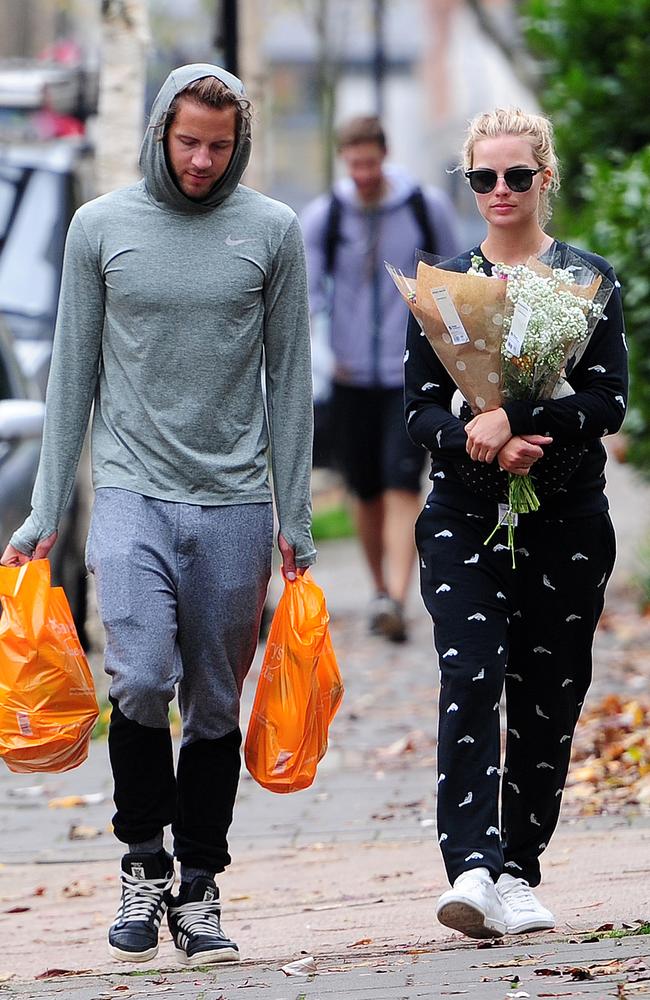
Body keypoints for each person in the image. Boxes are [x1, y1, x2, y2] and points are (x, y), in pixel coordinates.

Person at [1, 64, 315, 966]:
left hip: (234, 502)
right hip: (133, 489)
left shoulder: (272, 231)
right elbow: (72, 376)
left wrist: (294, 517)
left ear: (239, 142)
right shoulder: (100, 227)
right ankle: (143, 862)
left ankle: (201, 888)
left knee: (214, 703)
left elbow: (289, 380)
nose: (203, 160)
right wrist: (46, 507)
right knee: (139, 679)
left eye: (219, 145)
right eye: (188, 142)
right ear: (158, 134)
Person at [404, 108, 627, 938]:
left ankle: (517, 870)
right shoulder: (443, 288)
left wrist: (529, 424)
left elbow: (609, 399)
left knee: (549, 695)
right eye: (484, 178)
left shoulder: (587, 281)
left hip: (566, 518)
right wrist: (473, 421)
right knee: (472, 672)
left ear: (546, 178)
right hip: (464, 513)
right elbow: (416, 408)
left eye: (516, 176)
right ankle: (469, 865)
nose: (500, 191)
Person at [301, 115, 459, 642]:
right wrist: (321, 354)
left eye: (371, 162)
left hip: (406, 374)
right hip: (348, 375)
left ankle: (394, 593)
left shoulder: (422, 208)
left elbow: (450, 281)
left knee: (400, 479)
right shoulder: (328, 215)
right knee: (364, 487)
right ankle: (378, 589)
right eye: (354, 164)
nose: (364, 173)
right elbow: (308, 293)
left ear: (384, 156)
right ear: (344, 161)